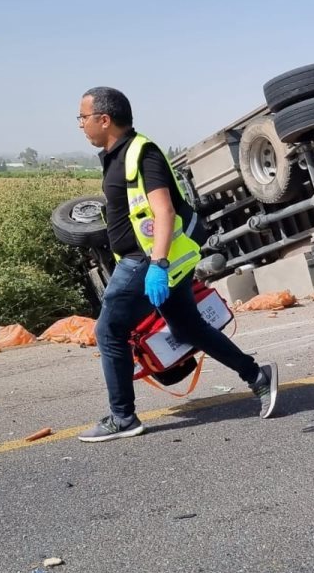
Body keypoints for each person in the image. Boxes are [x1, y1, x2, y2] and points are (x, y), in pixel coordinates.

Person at [76, 87, 277, 442]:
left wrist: (158, 263)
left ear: (104, 119)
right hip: (149, 262)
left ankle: (122, 417)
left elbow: (164, 210)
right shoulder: (114, 155)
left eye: (83, 118)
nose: (81, 125)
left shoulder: (142, 154)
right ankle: (257, 375)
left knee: (109, 332)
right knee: (188, 329)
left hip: (147, 263)